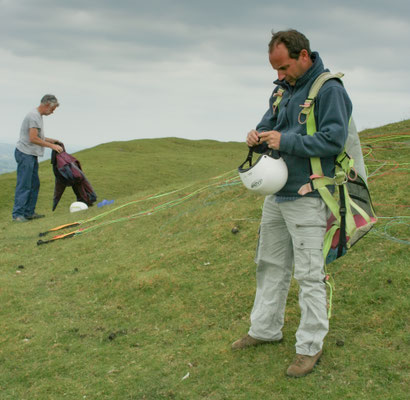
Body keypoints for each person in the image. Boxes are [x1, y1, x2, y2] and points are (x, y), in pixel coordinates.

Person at [232, 30, 352, 378]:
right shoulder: (282, 88)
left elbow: (332, 140)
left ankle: (309, 347)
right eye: (275, 69)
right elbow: (268, 124)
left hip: (309, 194)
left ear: (304, 56)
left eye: (284, 67)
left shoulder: (329, 89)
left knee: (309, 274)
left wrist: (285, 140)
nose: (280, 76)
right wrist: (256, 136)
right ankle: (265, 329)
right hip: (277, 193)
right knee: (269, 263)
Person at [12, 94, 63, 222]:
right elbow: (33, 138)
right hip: (25, 153)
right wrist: (51, 146)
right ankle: (18, 215)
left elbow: (38, 136)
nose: (52, 112)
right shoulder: (33, 116)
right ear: (47, 105)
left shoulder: (37, 116)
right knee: (24, 184)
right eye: (52, 109)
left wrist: (53, 140)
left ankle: (29, 212)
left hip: (31, 154)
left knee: (34, 184)